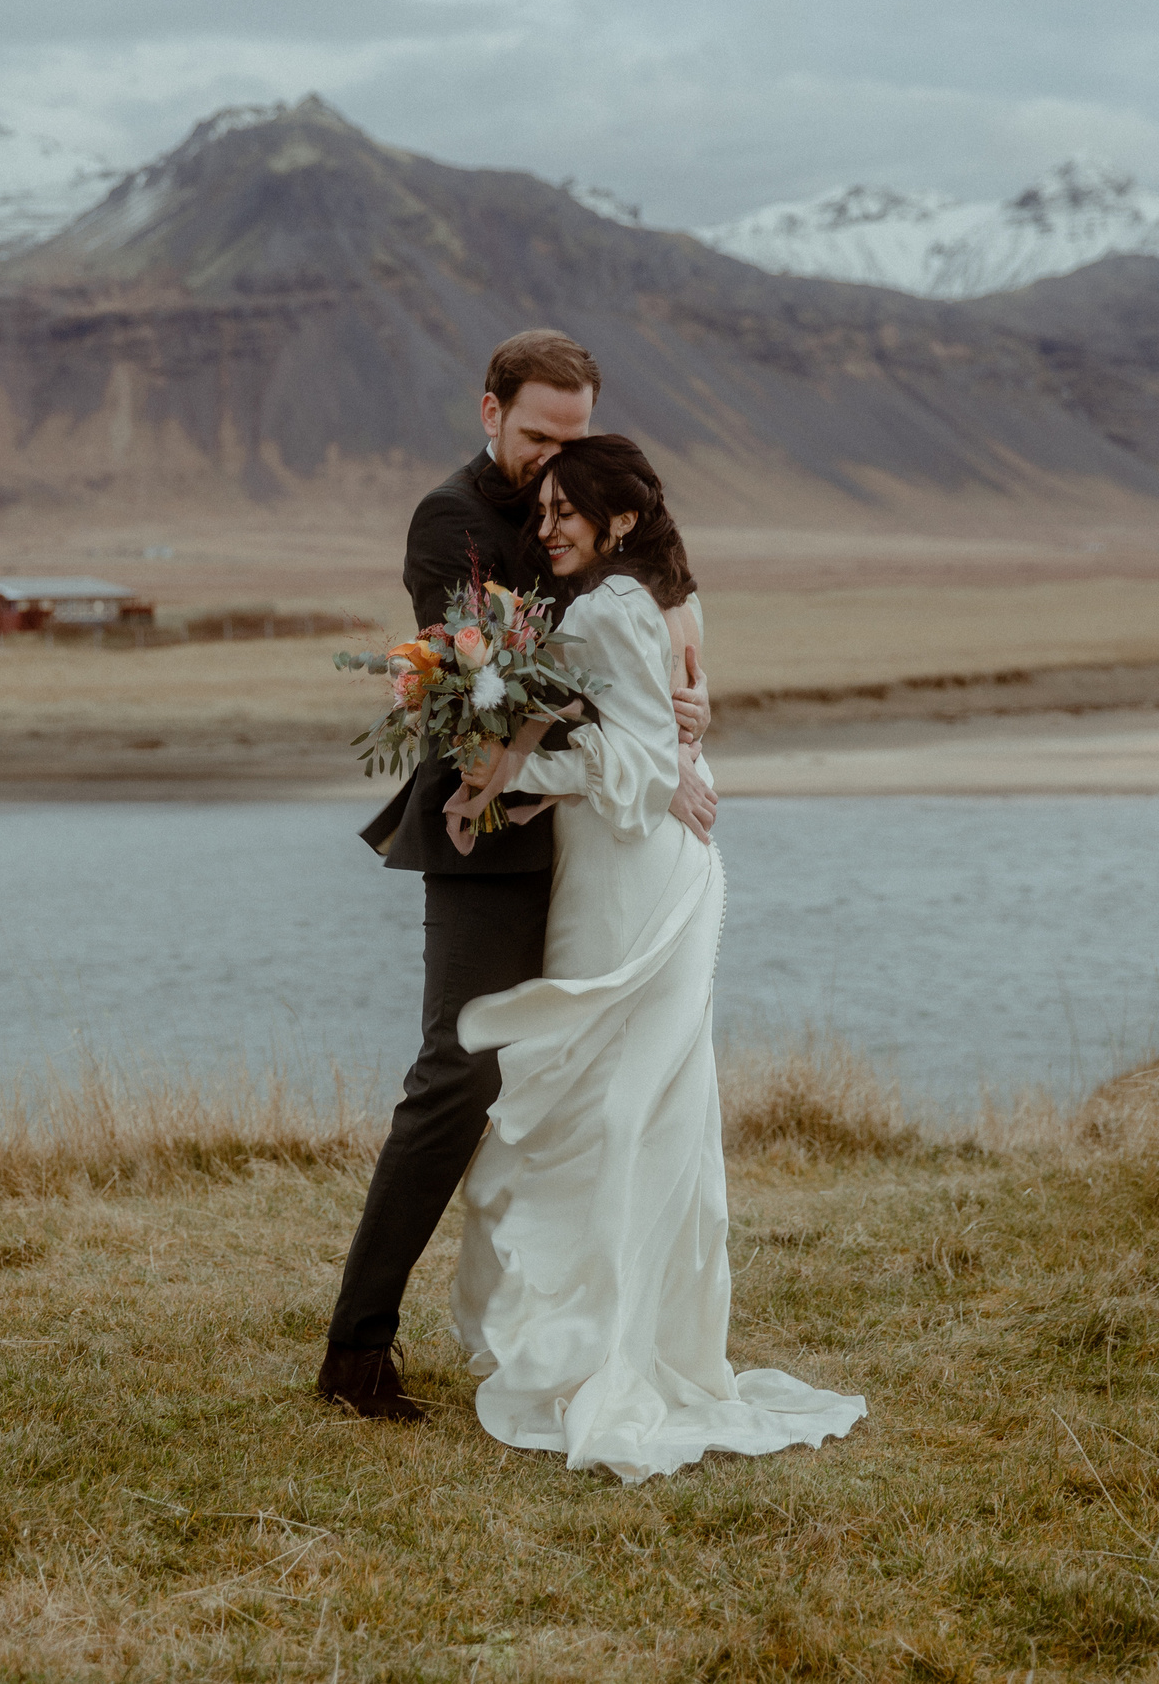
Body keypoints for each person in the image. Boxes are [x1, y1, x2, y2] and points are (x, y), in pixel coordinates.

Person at [441, 435, 867, 1481]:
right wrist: (546, 767)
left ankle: (598, 1351)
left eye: (563, 511)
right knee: (645, 1101)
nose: (547, 529)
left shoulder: (604, 608)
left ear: (617, 519)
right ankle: (639, 1337)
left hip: (629, 877)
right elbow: (661, 738)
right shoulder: (664, 597)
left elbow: (632, 763)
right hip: (660, 863)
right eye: (538, 512)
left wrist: (499, 770)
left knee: (606, 1101)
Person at [318, 332, 716, 1420]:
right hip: (489, 832)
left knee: (589, 1087)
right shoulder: (449, 520)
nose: (552, 464)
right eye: (537, 435)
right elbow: (491, 688)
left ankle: (574, 1335)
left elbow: (652, 597)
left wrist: (688, 708)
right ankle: (355, 1349)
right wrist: (639, 734)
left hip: (596, 839)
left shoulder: (592, 501)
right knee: (461, 1076)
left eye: (572, 441)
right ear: (487, 411)